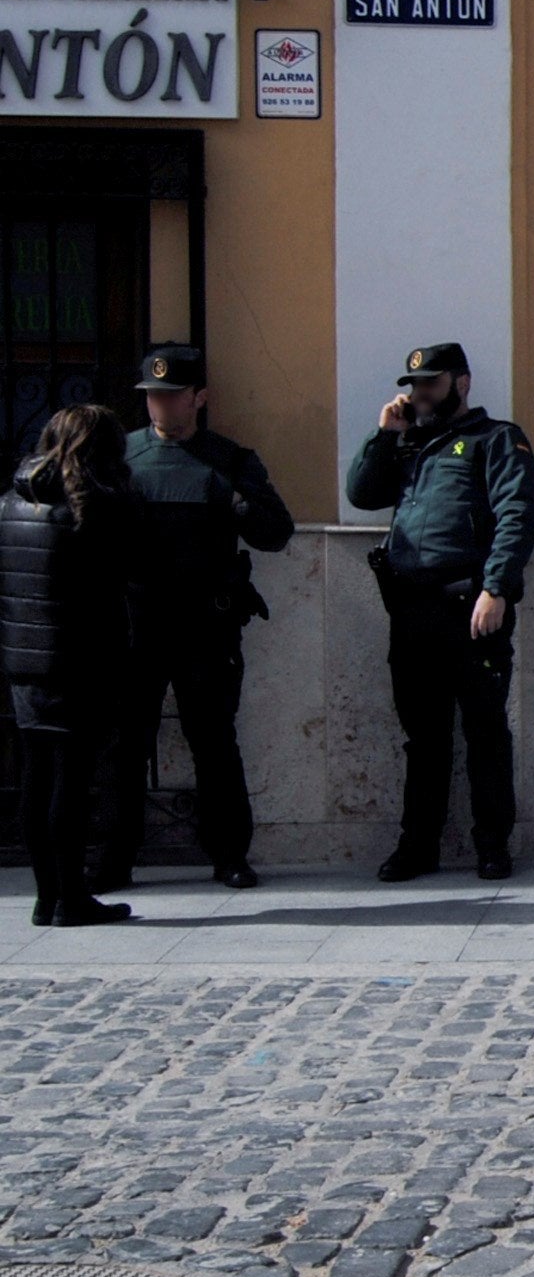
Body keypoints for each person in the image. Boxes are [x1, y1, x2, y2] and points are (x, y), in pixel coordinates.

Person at [343, 343, 534, 883]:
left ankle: (492, 845)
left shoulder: (496, 439)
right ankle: (418, 847)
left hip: (471, 607)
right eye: (415, 385)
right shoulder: (411, 444)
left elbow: (518, 514)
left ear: (462, 382)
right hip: (412, 610)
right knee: (424, 738)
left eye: (431, 383)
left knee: (484, 731)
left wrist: (497, 588)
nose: (420, 393)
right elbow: (361, 495)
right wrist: (385, 435)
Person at [104, 344, 292, 892]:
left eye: (171, 396)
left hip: (205, 625)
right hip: (136, 623)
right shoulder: (122, 457)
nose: (160, 407)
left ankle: (229, 854)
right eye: (152, 397)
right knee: (125, 744)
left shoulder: (230, 460)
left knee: (213, 741)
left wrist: (235, 503)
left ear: (199, 398)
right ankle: (116, 856)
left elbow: (275, 532)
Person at [1, 405, 138, 927]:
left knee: (37, 778)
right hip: (81, 662)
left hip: (25, 664)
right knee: (72, 785)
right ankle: (72, 898)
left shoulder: (12, 502)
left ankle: (46, 897)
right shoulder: (97, 506)